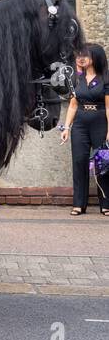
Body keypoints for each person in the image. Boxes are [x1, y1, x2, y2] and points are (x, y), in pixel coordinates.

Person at [60, 43, 108, 216]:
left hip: (100, 122)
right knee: (79, 161)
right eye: (79, 55)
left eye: (85, 55)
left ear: (95, 57)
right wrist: (66, 127)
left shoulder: (105, 78)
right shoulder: (77, 79)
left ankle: (106, 204)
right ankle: (79, 204)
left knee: (102, 163)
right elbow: (73, 105)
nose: (80, 58)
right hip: (80, 124)